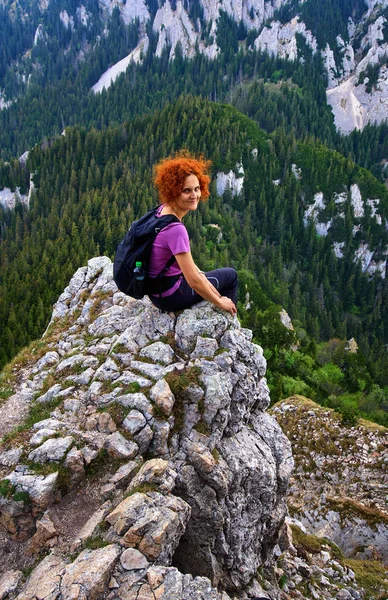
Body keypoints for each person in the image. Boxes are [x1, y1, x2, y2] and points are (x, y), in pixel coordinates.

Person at [147, 152, 238, 316]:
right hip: (170, 296)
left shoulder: (162, 211)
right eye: (186, 190)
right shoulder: (176, 229)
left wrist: (201, 276)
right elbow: (193, 281)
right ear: (174, 191)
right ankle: (228, 317)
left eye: (197, 189)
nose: (194, 195)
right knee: (231, 276)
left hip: (157, 291)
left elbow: (183, 263)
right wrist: (219, 301)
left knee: (206, 278)